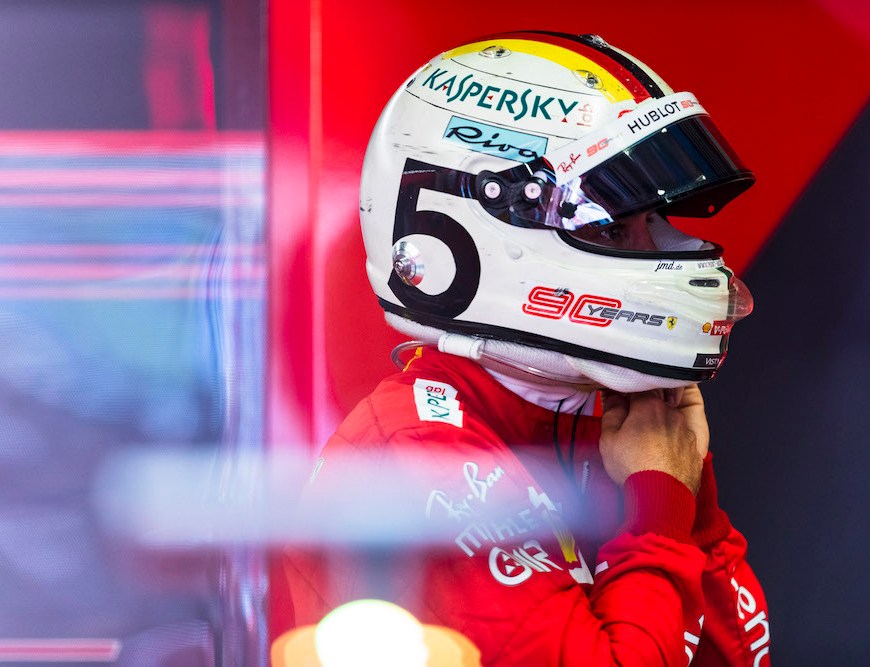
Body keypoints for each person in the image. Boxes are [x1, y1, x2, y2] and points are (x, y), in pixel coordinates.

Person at [281, 31, 771, 666]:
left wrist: (684, 494)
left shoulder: (613, 419)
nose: (666, 251)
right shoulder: (416, 455)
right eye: (613, 225)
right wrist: (658, 509)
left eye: (656, 220)